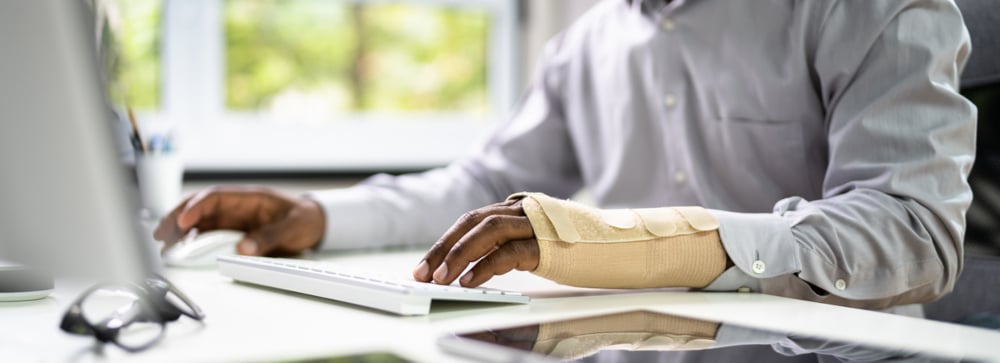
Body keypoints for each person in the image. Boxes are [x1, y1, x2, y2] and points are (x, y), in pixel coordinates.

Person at [156, 0, 976, 312]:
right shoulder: (588, 39)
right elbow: (486, 183)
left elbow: (916, 231)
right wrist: (321, 214)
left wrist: (638, 244)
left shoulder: (869, 8)